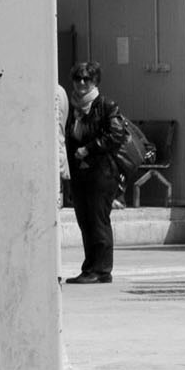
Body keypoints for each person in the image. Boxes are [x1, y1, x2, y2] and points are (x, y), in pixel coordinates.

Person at [61, 61, 135, 284]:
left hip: (101, 172)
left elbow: (116, 135)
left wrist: (89, 149)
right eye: (78, 78)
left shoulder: (106, 105)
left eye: (87, 79)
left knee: (98, 220)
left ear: (95, 81)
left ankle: (102, 269)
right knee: (84, 220)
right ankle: (89, 267)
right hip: (79, 173)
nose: (82, 83)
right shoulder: (71, 107)